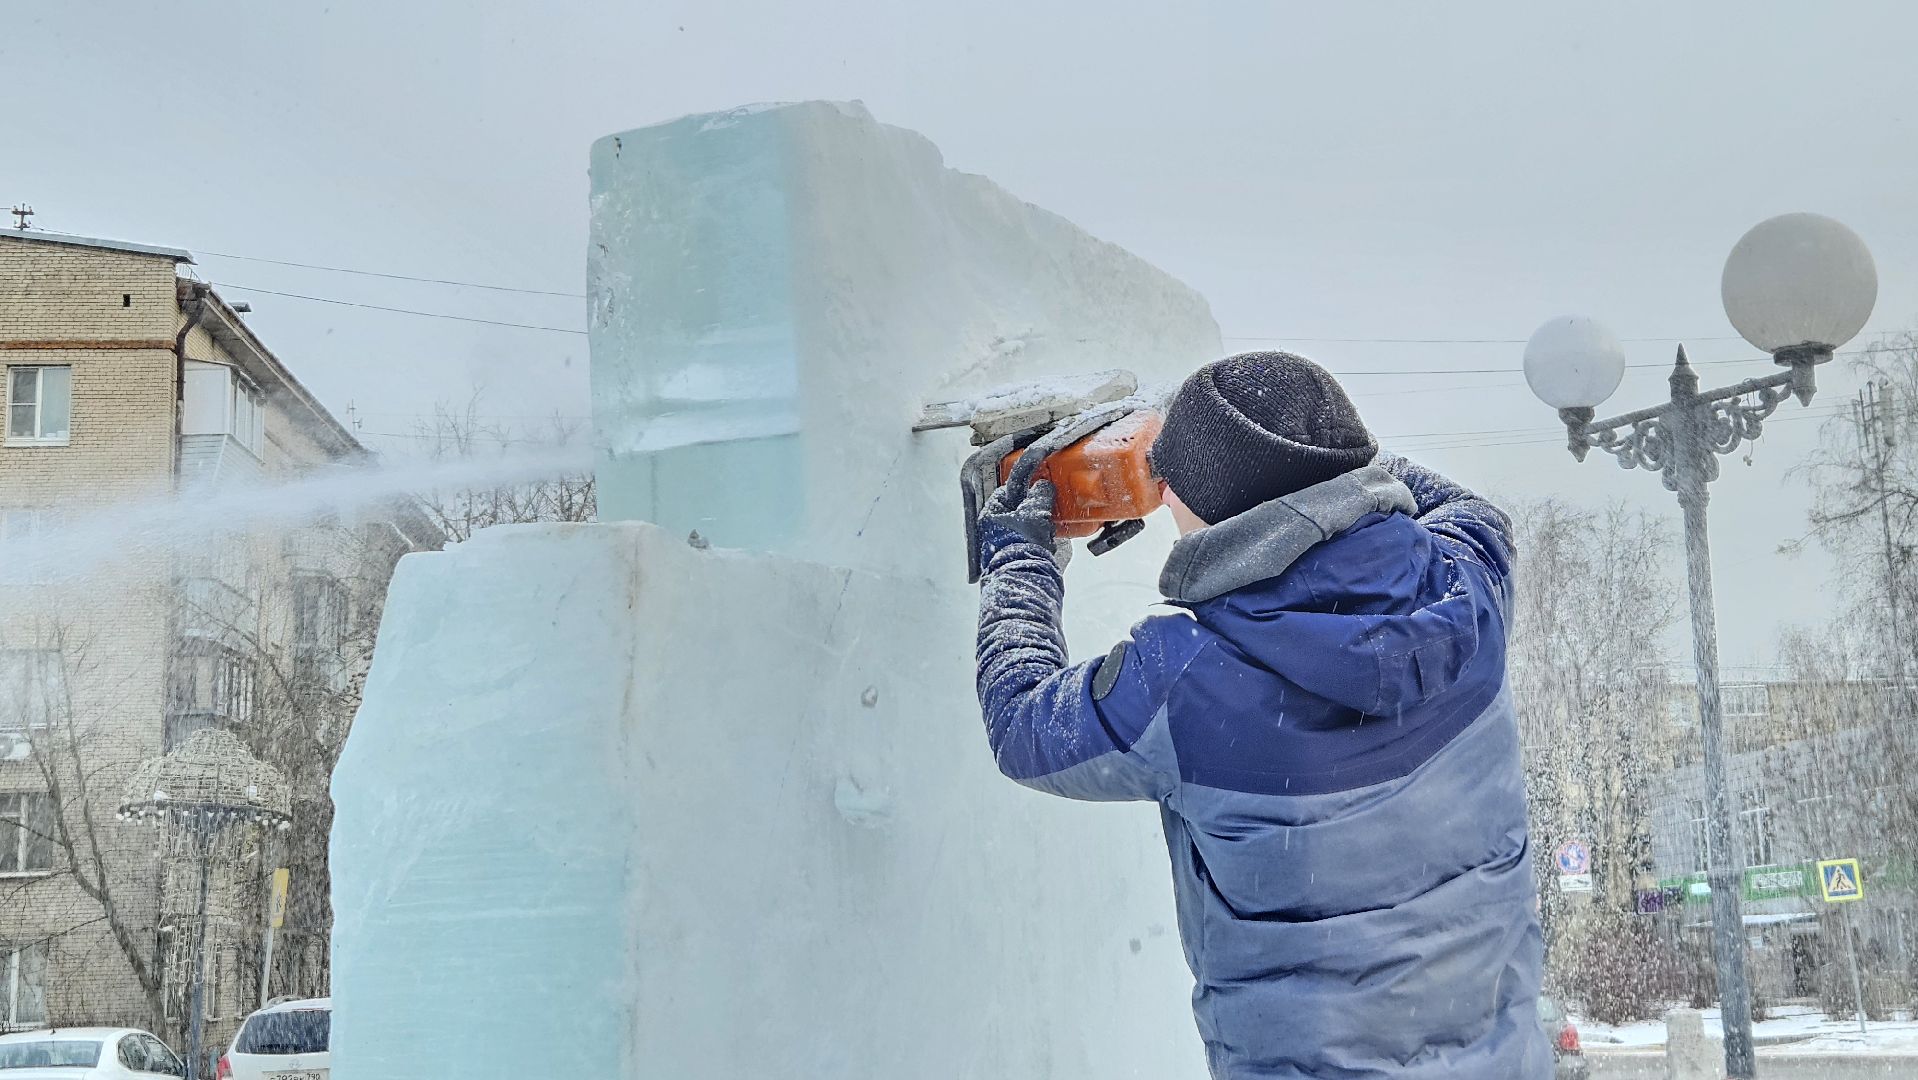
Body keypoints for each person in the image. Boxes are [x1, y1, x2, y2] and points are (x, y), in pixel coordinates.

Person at [972, 351, 1549, 1079]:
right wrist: (1304, 457)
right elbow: (1461, 505)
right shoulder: (1469, 587)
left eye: (1165, 474)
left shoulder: (1182, 680)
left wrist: (1019, 558)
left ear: (1201, 506)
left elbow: (1026, 724)